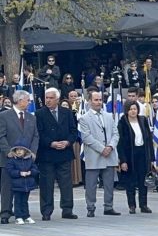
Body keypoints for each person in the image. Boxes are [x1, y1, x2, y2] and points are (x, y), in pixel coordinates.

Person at [35, 88, 78, 221]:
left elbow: (73, 131)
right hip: (47, 153)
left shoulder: (67, 112)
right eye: (46, 97)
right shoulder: (39, 113)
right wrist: (51, 143)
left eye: (51, 98)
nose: (48, 100)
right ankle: (46, 211)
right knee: (47, 184)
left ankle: (67, 209)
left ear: (57, 99)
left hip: (64, 152)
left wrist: (68, 142)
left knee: (66, 183)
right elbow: (38, 133)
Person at [0, 90, 39, 224]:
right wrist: (8, 151)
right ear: (20, 100)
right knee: (7, 187)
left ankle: (22, 213)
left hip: (26, 160)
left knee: (24, 186)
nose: (29, 102)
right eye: (27, 100)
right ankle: (5, 213)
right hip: (9, 159)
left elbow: (35, 136)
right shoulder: (4, 116)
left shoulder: (31, 117)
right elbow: (1, 135)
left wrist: (32, 152)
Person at [79, 90, 120, 217]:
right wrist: (102, 149)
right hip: (94, 155)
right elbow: (87, 137)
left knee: (109, 183)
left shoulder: (108, 116)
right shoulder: (84, 118)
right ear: (90, 101)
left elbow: (115, 133)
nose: (98, 102)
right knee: (91, 184)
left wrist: (110, 146)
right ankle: (90, 207)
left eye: (100, 100)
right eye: (96, 100)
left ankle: (109, 206)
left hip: (109, 154)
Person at [117, 100, 154, 214]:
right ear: (127, 110)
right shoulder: (123, 122)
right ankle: (131, 205)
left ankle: (143, 205)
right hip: (130, 156)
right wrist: (123, 160)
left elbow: (149, 141)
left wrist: (151, 158)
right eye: (131, 109)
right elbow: (120, 143)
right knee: (130, 181)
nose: (133, 111)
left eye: (135, 109)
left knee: (143, 181)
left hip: (143, 153)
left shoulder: (143, 120)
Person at [5, 139, 39, 225]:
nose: (19, 151)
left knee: (25, 201)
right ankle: (18, 216)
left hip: (27, 184)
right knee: (18, 201)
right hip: (17, 184)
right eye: (17, 149)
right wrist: (19, 173)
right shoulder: (12, 160)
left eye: (21, 149)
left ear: (26, 151)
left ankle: (26, 216)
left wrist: (30, 172)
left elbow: (35, 169)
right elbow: (10, 170)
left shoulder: (29, 160)